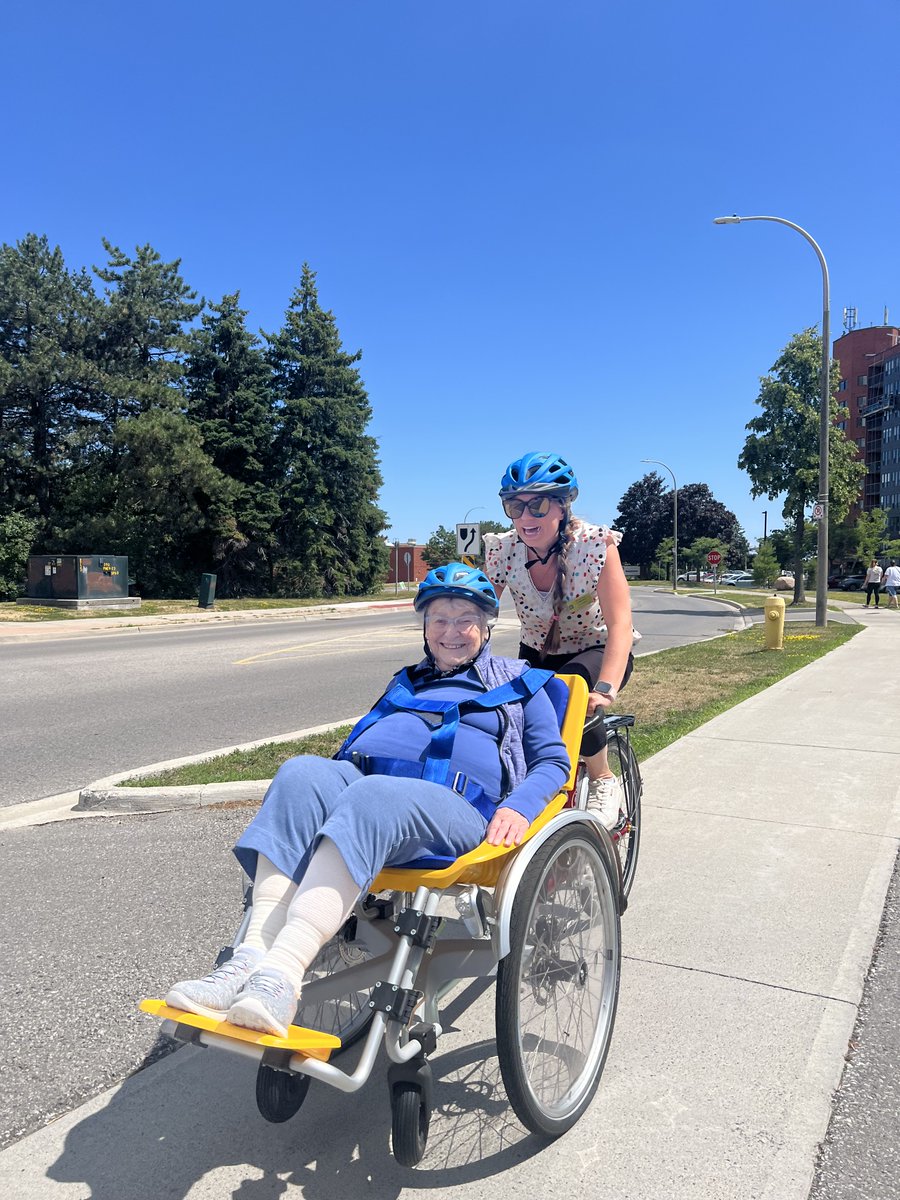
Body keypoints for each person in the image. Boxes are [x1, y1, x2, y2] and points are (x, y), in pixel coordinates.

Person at [164, 563, 570, 1038]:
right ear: (424, 626)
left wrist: (518, 806)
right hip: (369, 790)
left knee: (373, 795)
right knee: (300, 772)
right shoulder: (406, 681)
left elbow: (553, 763)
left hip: (457, 809)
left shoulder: (524, 684)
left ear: (486, 625)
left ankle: (282, 976)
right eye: (439, 618)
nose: (451, 631)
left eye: (465, 618)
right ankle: (248, 962)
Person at [483, 451, 634, 830]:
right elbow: (480, 611)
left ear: (563, 505)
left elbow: (620, 625)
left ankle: (602, 779)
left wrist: (605, 689)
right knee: (513, 717)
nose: (525, 518)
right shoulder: (503, 550)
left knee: (571, 694)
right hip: (537, 651)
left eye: (537, 505)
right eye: (514, 507)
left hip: (594, 650)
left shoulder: (594, 545)